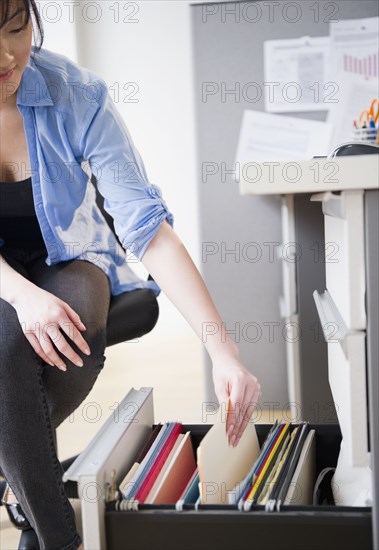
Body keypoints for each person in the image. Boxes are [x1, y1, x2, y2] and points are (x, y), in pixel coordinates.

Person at [0, 1, 261, 548]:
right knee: (8, 349)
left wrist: (224, 351)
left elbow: (148, 228)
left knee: (67, 330)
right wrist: (24, 299)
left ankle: (23, 483)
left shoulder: (76, 93)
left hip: (70, 254)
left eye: (16, 29)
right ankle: (56, 534)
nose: (6, 56)